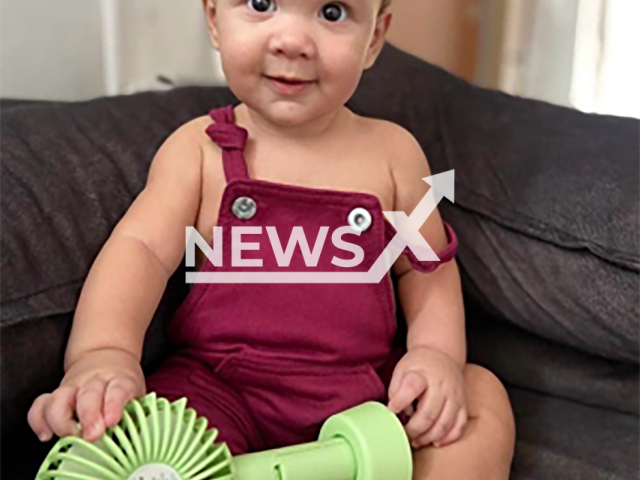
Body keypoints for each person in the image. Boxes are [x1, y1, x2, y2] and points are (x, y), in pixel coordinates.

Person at [28, 0, 515, 477]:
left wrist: (436, 355)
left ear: (375, 38)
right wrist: (103, 354)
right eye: (262, 3)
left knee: (480, 399)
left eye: (332, 12)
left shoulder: (393, 153)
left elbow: (423, 266)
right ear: (214, 19)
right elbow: (142, 250)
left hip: (365, 398)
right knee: (127, 437)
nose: (293, 41)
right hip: (219, 391)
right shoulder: (198, 149)